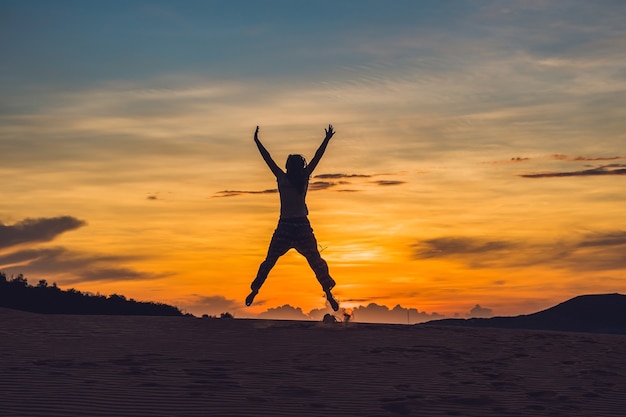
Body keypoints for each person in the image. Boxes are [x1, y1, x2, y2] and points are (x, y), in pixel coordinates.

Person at [246, 124, 339, 311]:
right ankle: (329, 294)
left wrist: (257, 141)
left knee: (270, 260)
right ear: (301, 166)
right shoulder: (303, 177)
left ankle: (255, 290)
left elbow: (268, 159)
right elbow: (317, 158)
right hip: (302, 226)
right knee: (316, 261)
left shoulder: (283, 178)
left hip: (286, 227)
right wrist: (327, 139)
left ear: (288, 167)